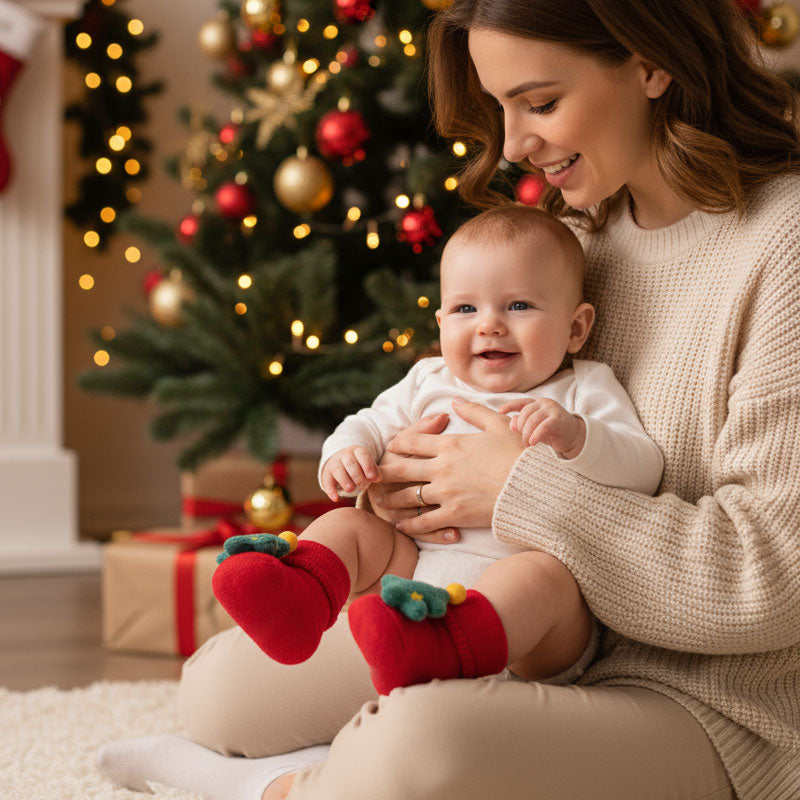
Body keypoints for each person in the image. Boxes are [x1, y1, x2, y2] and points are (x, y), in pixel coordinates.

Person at [97, 1, 800, 798]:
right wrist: (414, 481)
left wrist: (514, 488)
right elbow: (476, 414)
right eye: (501, 109)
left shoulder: (783, 246)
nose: (512, 145)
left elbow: (775, 582)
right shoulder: (585, 231)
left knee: (412, 747)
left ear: (649, 64)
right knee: (223, 688)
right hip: (537, 632)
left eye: (539, 102)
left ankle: (266, 789)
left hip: (709, 705)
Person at [209, 204, 663, 695]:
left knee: (541, 576)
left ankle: (458, 644)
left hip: (535, 635)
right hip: (416, 582)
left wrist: (577, 437)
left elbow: (644, 469)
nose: (489, 325)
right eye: (467, 309)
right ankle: (302, 598)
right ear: (442, 322)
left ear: (576, 328)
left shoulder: (581, 391)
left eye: (519, 306)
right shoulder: (428, 381)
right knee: (351, 526)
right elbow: (367, 423)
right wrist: (348, 454)